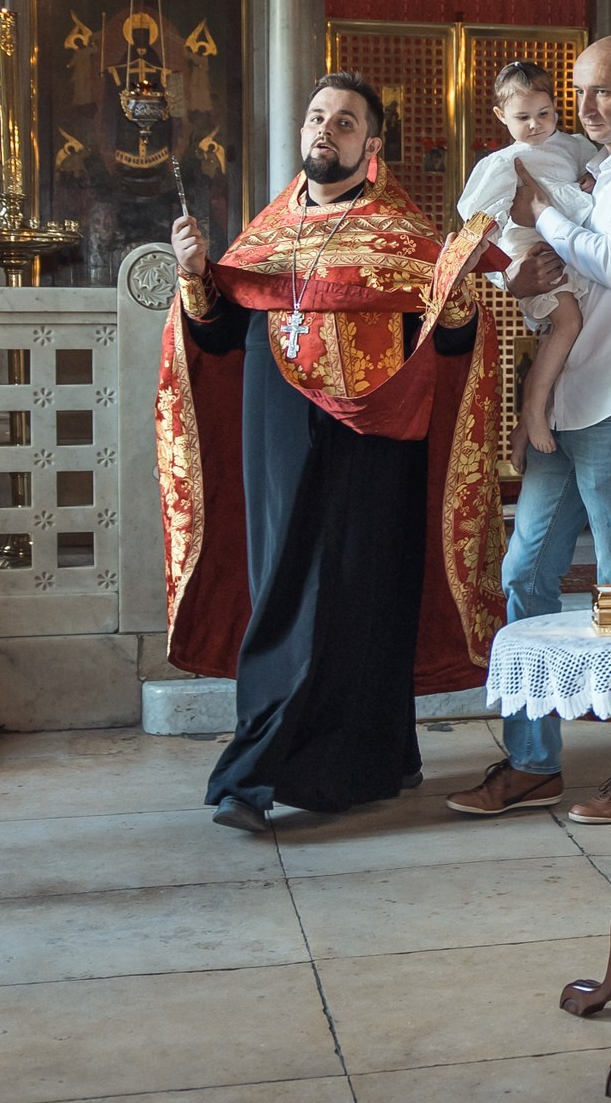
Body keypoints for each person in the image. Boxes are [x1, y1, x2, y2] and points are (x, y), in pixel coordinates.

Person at [161, 75, 506, 832]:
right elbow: (216, 337)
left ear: (370, 147)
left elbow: (448, 346)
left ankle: (369, 758)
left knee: (366, 596)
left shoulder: (408, 238)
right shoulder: (263, 236)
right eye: (317, 116)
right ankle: (250, 777)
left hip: (374, 446)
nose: (327, 129)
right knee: (285, 594)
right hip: (279, 449)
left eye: (345, 122)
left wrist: (456, 300)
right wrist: (194, 277)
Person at [446, 36, 611, 825]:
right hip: (569, 397)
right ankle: (532, 759)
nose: (587, 105)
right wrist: (516, 258)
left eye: (603, 91)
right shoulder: (584, 162)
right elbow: (512, 248)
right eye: (580, 91)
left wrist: (542, 212)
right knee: (525, 571)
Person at [457, 61, 599, 454]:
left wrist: (591, 178)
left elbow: (603, 167)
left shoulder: (574, 146)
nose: (535, 125)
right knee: (567, 324)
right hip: (533, 254)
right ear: (502, 116)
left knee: (567, 334)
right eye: (523, 117)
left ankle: (534, 417)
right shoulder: (503, 163)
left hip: (571, 250)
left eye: (544, 114)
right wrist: (493, 263)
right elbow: (478, 216)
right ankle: (534, 412)